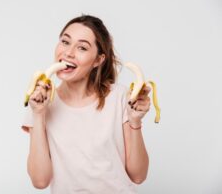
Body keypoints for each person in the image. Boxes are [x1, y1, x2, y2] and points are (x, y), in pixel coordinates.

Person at [21, 14, 151, 194]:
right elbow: (40, 181)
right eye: (65, 42)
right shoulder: (39, 103)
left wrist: (135, 121)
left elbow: (138, 176)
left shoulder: (121, 97)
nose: (68, 52)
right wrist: (38, 114)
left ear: (98, 60)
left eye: (82, 47)